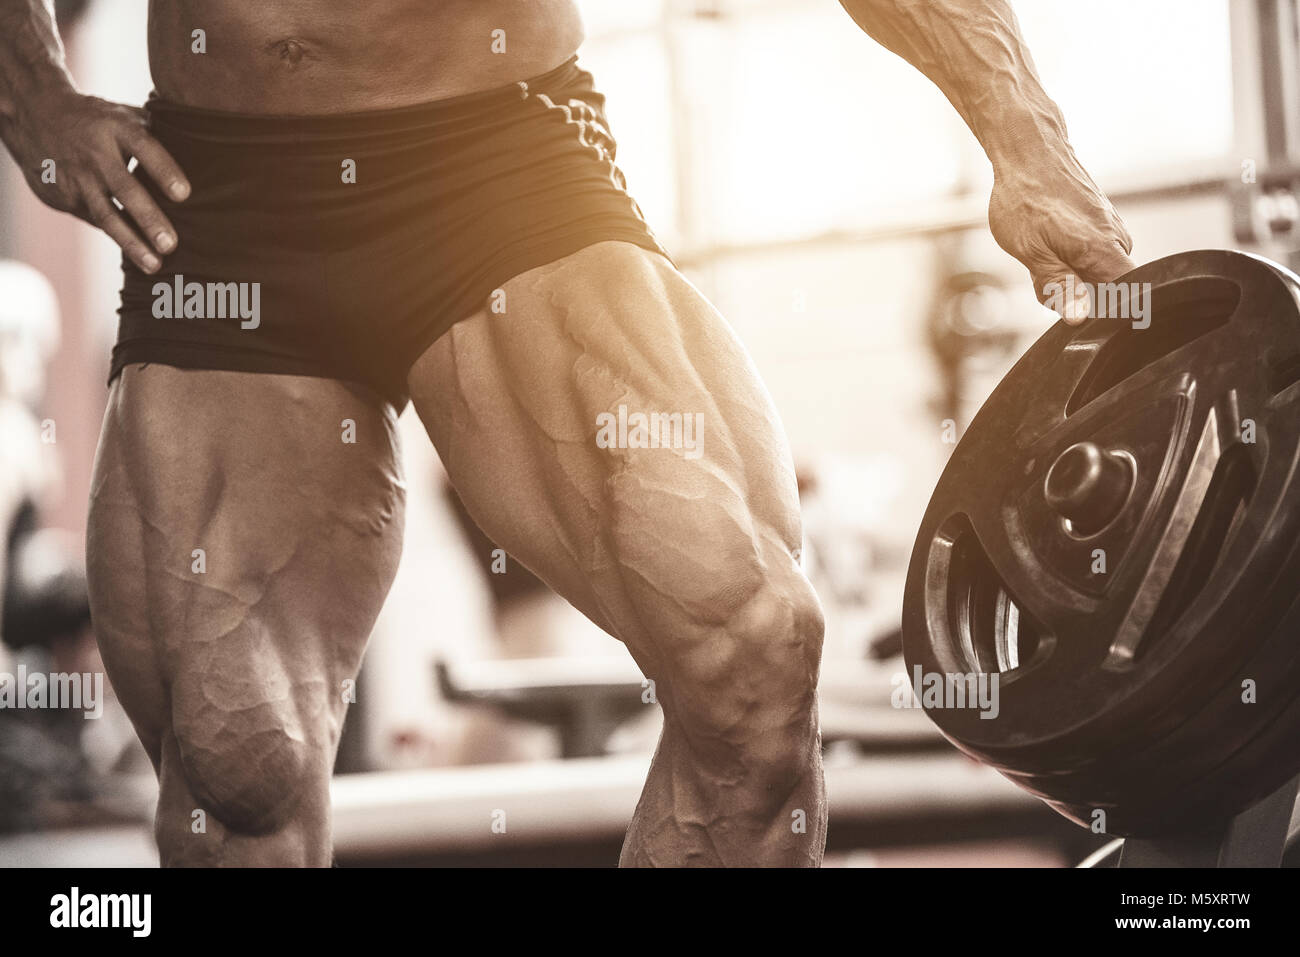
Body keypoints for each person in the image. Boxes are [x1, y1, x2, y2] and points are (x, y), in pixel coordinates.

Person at [0, 0, 1133, 866]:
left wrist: (1022, 132)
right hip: (225, 197)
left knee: (748, 648)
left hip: (498, 165)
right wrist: (33, 95)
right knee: (232, 767)